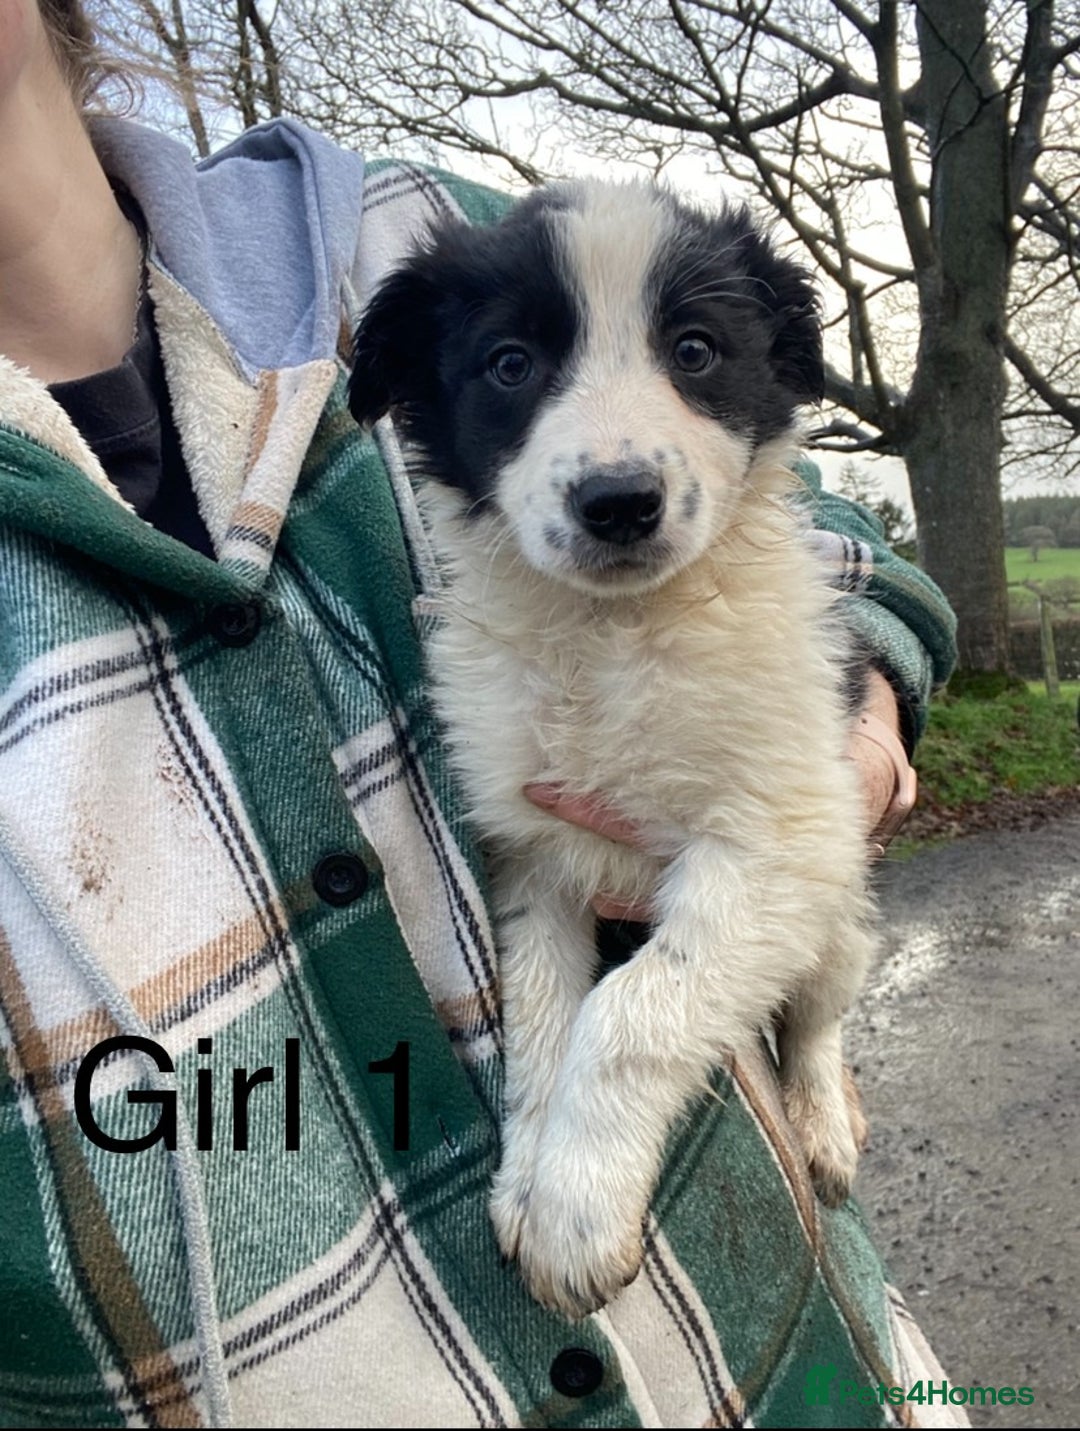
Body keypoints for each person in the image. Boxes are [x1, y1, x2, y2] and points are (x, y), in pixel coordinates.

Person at [0, 2, 962, 1426]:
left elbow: (841, 553)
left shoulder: (424, 232)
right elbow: (536, 880)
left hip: (779, 1359)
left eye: (690, 352)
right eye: (518, 368)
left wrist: (862, 702)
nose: (615, 443)